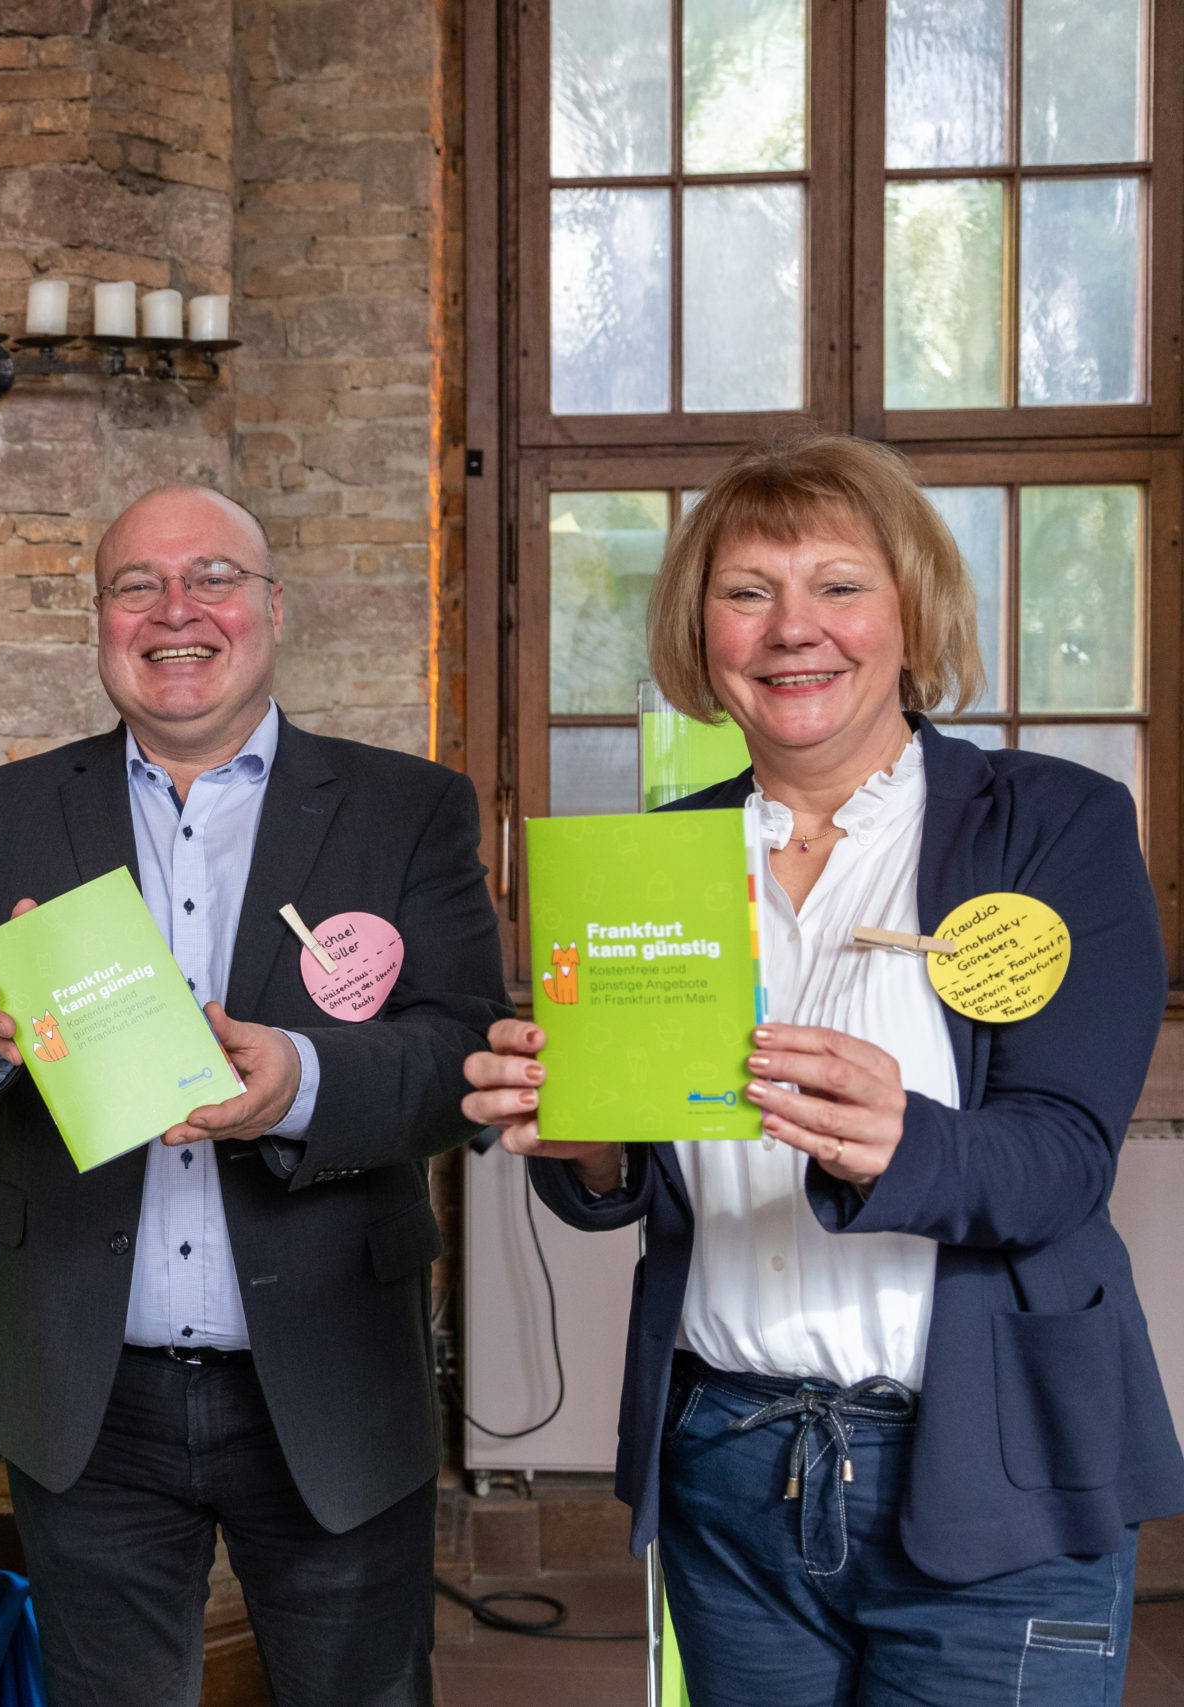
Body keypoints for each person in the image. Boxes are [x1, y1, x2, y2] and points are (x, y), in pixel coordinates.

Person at [464, 434, 1183, 1704]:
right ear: (702, 635)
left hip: (992, 1459)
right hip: (726, 1461)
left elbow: (1063, 1160)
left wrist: (900, 1137)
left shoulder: (1051, 823)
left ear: (912, 611)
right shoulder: (656, 860)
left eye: (839, 586)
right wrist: (586, 1141)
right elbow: (638, 1175)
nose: (792, 628)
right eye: (746, 592)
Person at [0, 484, 510, 1706]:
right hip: (87, 1389)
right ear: (99, 621)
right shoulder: (9, 809)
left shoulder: (404, 808)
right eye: (137, 585)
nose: (176, 610)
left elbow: (461, 1061)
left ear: (272, 607)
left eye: (212, 578)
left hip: (330, 1371)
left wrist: (299, 1084)